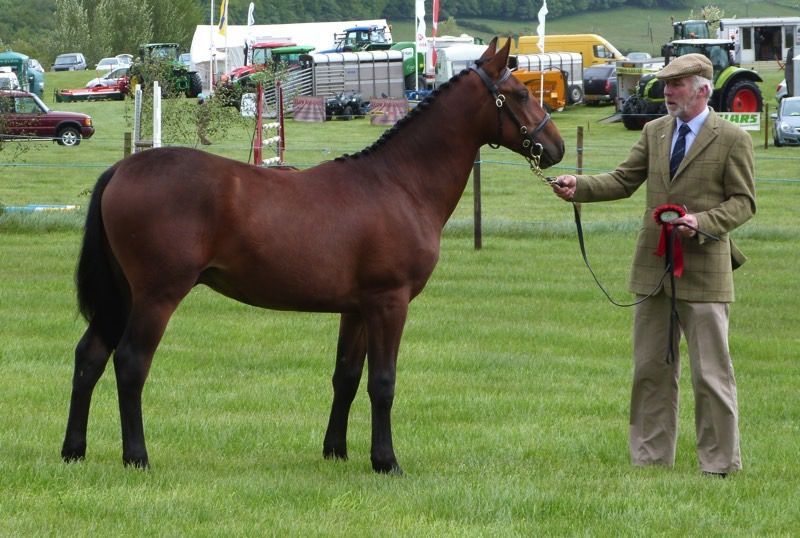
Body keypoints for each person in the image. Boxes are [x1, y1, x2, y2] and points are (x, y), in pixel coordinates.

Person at [551, 54, 756, 477]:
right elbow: (625, 180)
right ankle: (649, 458)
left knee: (711, 374)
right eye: (665, 84)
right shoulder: (654, 130)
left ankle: (719, 465)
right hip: (653, 269)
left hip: (705, 272)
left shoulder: (732, 138)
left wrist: (701, 222)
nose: (667, 92)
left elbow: (743, 202)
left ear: (702, 89)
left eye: (677, 84)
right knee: (650, 369)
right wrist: (579, 186)